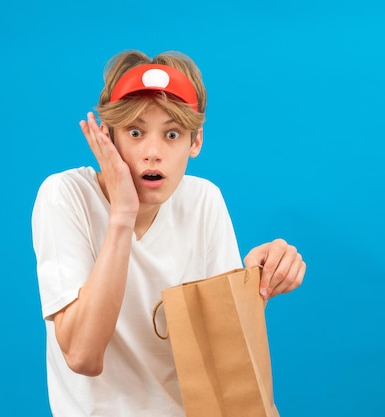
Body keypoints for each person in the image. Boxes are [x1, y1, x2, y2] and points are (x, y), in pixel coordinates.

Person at [31, 50, 306, 417]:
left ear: (196, 142)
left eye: (172, 134)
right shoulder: (65, 196)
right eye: (135, 132)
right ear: (108, 137)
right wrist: (123, 215)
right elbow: (82, 355)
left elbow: (223, 351)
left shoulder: (203, 200)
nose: (153, 153)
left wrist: (260, 283)